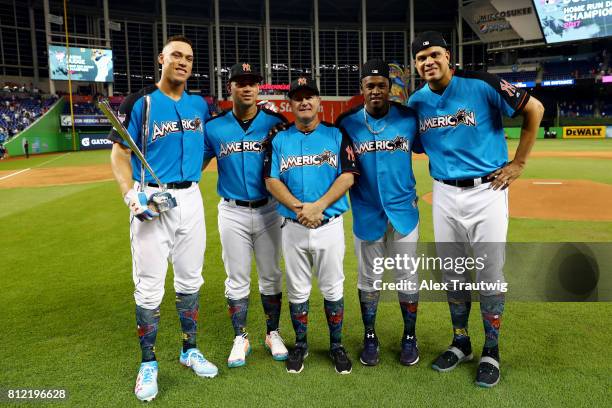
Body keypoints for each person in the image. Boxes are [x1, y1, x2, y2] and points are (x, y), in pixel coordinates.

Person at [407, 31, 544, 388]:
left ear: (448, 56)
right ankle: (461, 342)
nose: (428, 62)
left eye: (434, 54)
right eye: (421, 59)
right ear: (415, 65)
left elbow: (535, 108)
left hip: (488, 190)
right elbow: (417, 145)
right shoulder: (417, 101)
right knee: (452, 273)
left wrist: (519, 163)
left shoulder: (481, 83)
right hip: (444, 194)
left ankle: (491, 350)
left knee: (490, 274)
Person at [107, 35, 218, 402]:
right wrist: (131, 194)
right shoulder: (141, 102)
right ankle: (148, 361)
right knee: (150, 285)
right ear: (162, 59)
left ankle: (189, 350)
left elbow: (204, 151)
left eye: (188, 56)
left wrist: (189, 179)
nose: (183, 62)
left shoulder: (200, 104)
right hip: (153, 201)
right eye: (176, 56)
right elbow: (120, 154)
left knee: (190, 280)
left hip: (190, 198)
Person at [264, 76, 359, 375]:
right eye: (298, 97)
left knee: (333, 287)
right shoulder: (279, 139)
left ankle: (336, 345)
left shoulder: (336, 135)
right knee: (297, 289)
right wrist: (299, 208)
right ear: (290, 104)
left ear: (318, 101)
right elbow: (271, 179)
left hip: (329, 223)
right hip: (293, 225)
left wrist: (318, 207)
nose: (304, 101)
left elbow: (348, 175)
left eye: (310, 96)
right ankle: (301, 344)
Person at [203, 62, 289, 368]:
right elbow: (193, 165)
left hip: (269, 210)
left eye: (253, 82)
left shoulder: (276, 124)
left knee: (271, 274)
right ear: (231, 88)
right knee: (237, 277)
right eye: (241, 82)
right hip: (232, 211)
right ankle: (240, 336)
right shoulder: (213, 127)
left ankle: (272, 332)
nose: (248, 87)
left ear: (259, 87)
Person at [335, 59, 420, 367]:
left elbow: (433, 145)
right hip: (367, 212)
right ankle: (370, 336)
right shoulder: (347, 123)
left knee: (407, 277)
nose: (375, 91)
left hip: (403, 213)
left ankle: (409, 337)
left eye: (381, 85)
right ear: (362, 89)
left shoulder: (409, 118)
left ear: (389, 88)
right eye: (369, 86)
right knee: (369, 278)